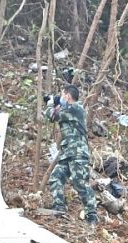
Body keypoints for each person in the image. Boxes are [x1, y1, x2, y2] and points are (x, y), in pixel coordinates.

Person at [46, 84, 97, 224]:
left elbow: (52, 115)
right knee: (55, 178)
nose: (61, 97)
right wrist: (55, 103)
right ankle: (59, 207)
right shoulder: (67, 109)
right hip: (67, 153)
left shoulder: (76, 109)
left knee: (80, 183)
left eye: (62, 94)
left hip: (78, 153)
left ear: (67, 95)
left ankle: (92, 215)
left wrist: (51, 104)